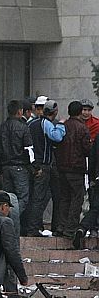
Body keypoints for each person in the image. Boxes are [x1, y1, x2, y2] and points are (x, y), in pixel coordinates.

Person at [24, 100, 66, 237]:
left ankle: (30, 225)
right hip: (43, 164)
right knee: (39, 198)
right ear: (54, 112)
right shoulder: (45, 124)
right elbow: (57, 137)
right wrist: (60, 125)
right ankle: (33, 228)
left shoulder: (31, 123)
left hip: (32, 164)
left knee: (33, 197)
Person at [53, 101, 92, 239]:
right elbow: (87, 150)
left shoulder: (62, 126)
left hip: (62, 168)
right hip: (76, 169)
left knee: (64, 198)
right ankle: (70, 229)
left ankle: (61, 226)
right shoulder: (82, 128)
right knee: (77, 199)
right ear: (80, 111)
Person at [0, 99, 33, 236]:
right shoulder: (23, 127)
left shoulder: (0, 128)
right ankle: (10, 214)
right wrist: (33, 167)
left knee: (8, 196)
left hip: (5, 167)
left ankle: (6, 215)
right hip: (20, 167)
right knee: (22, 198)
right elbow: (29, 150)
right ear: (20, 111)